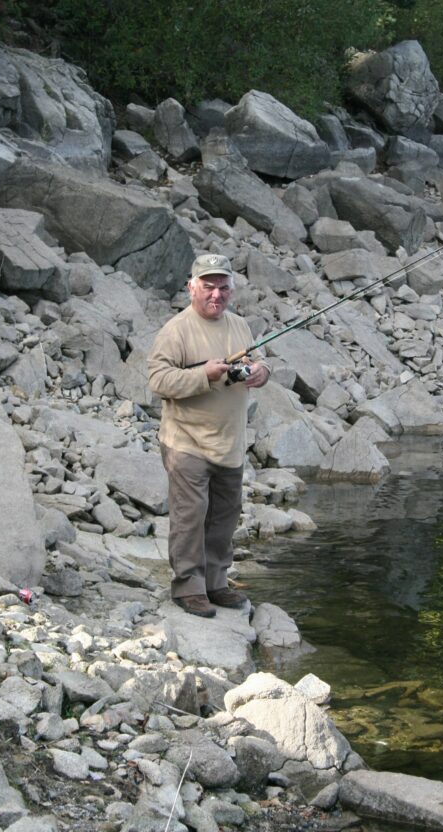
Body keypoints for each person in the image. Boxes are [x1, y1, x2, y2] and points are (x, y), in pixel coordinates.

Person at [147, 254, 270, 618]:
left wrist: (262, 371)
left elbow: (259, 360)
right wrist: (205, 375)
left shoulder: (239, 326)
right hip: (186, 442)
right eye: (208, 287)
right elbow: (159, 381)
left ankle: (216, 583)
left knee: (225, 517)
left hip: (230, 444)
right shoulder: (176, 330)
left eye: (223, 287)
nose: (216, 295)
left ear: (232, 289)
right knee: (190, 515)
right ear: (192, 288)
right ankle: (188, 587)